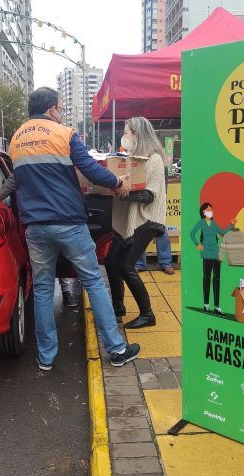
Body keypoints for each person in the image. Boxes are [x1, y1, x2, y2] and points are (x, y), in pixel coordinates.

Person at [8, 87, 139, 370]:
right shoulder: (64, 134)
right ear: (53, 108)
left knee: (42, 290)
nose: (61, 113)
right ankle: (117, 350)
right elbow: (91, 169)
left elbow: (16, 182)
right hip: (68, 222)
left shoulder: (16, 140)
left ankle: (46, 358)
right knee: (93, 281)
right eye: (61, 108)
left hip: (35, 228)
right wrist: (118, 183)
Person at [105, 117, 167, 329]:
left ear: (138, 135)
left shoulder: (154, 160)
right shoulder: (130, 158)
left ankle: (147, 314)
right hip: (130, 219)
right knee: (111, 261)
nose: (124, 135)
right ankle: (117, 307)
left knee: (126, 265)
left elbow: (150, 196)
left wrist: (122, 191)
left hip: (148, 220)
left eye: (127, 132)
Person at [0, 175, 78, 307]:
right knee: (53, 259)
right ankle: (65, 292)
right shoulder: (49, 167)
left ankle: (61, 292)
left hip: (32, 225)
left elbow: (0, 194)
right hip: (42, 223)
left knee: (43, 266)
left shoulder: (20, 169)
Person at [190, 203, 236, 316]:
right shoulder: (201, 223)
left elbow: (223, 233)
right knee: (207, 278)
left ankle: (217, 307)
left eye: (211, 210)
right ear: (203, 212)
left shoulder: (214, 223)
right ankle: (206, 305)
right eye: (208, 210)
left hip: (216, 253)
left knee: (217, 279)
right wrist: (197, 245)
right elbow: (192, 234)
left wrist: (231, 225)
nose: (210, 212)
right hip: (206, 253)